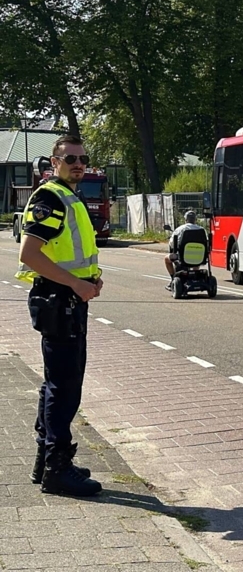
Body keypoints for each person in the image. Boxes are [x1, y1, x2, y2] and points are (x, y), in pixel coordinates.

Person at [16, 135, 103, 497]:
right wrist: (76, 285)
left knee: (57, 383)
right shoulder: (51, 196)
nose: (78, 163)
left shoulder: (67, 195)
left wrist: (88, 279)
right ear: (54, 162)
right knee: (64, 387)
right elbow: (29, 254)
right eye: (70, 158)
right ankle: (57, 468)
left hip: (66, 297)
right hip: (59, 299)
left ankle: (48, 460)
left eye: (83, 158)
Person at [165, 210, 204, 290]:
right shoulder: (202, 230)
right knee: (196, 256)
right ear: (195, 219)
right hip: (199, 257)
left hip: (183, 257)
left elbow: (172, 244)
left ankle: (173, 278)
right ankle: (194, 275)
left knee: (166, 259)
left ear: (185, 219)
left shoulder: (180, 229)